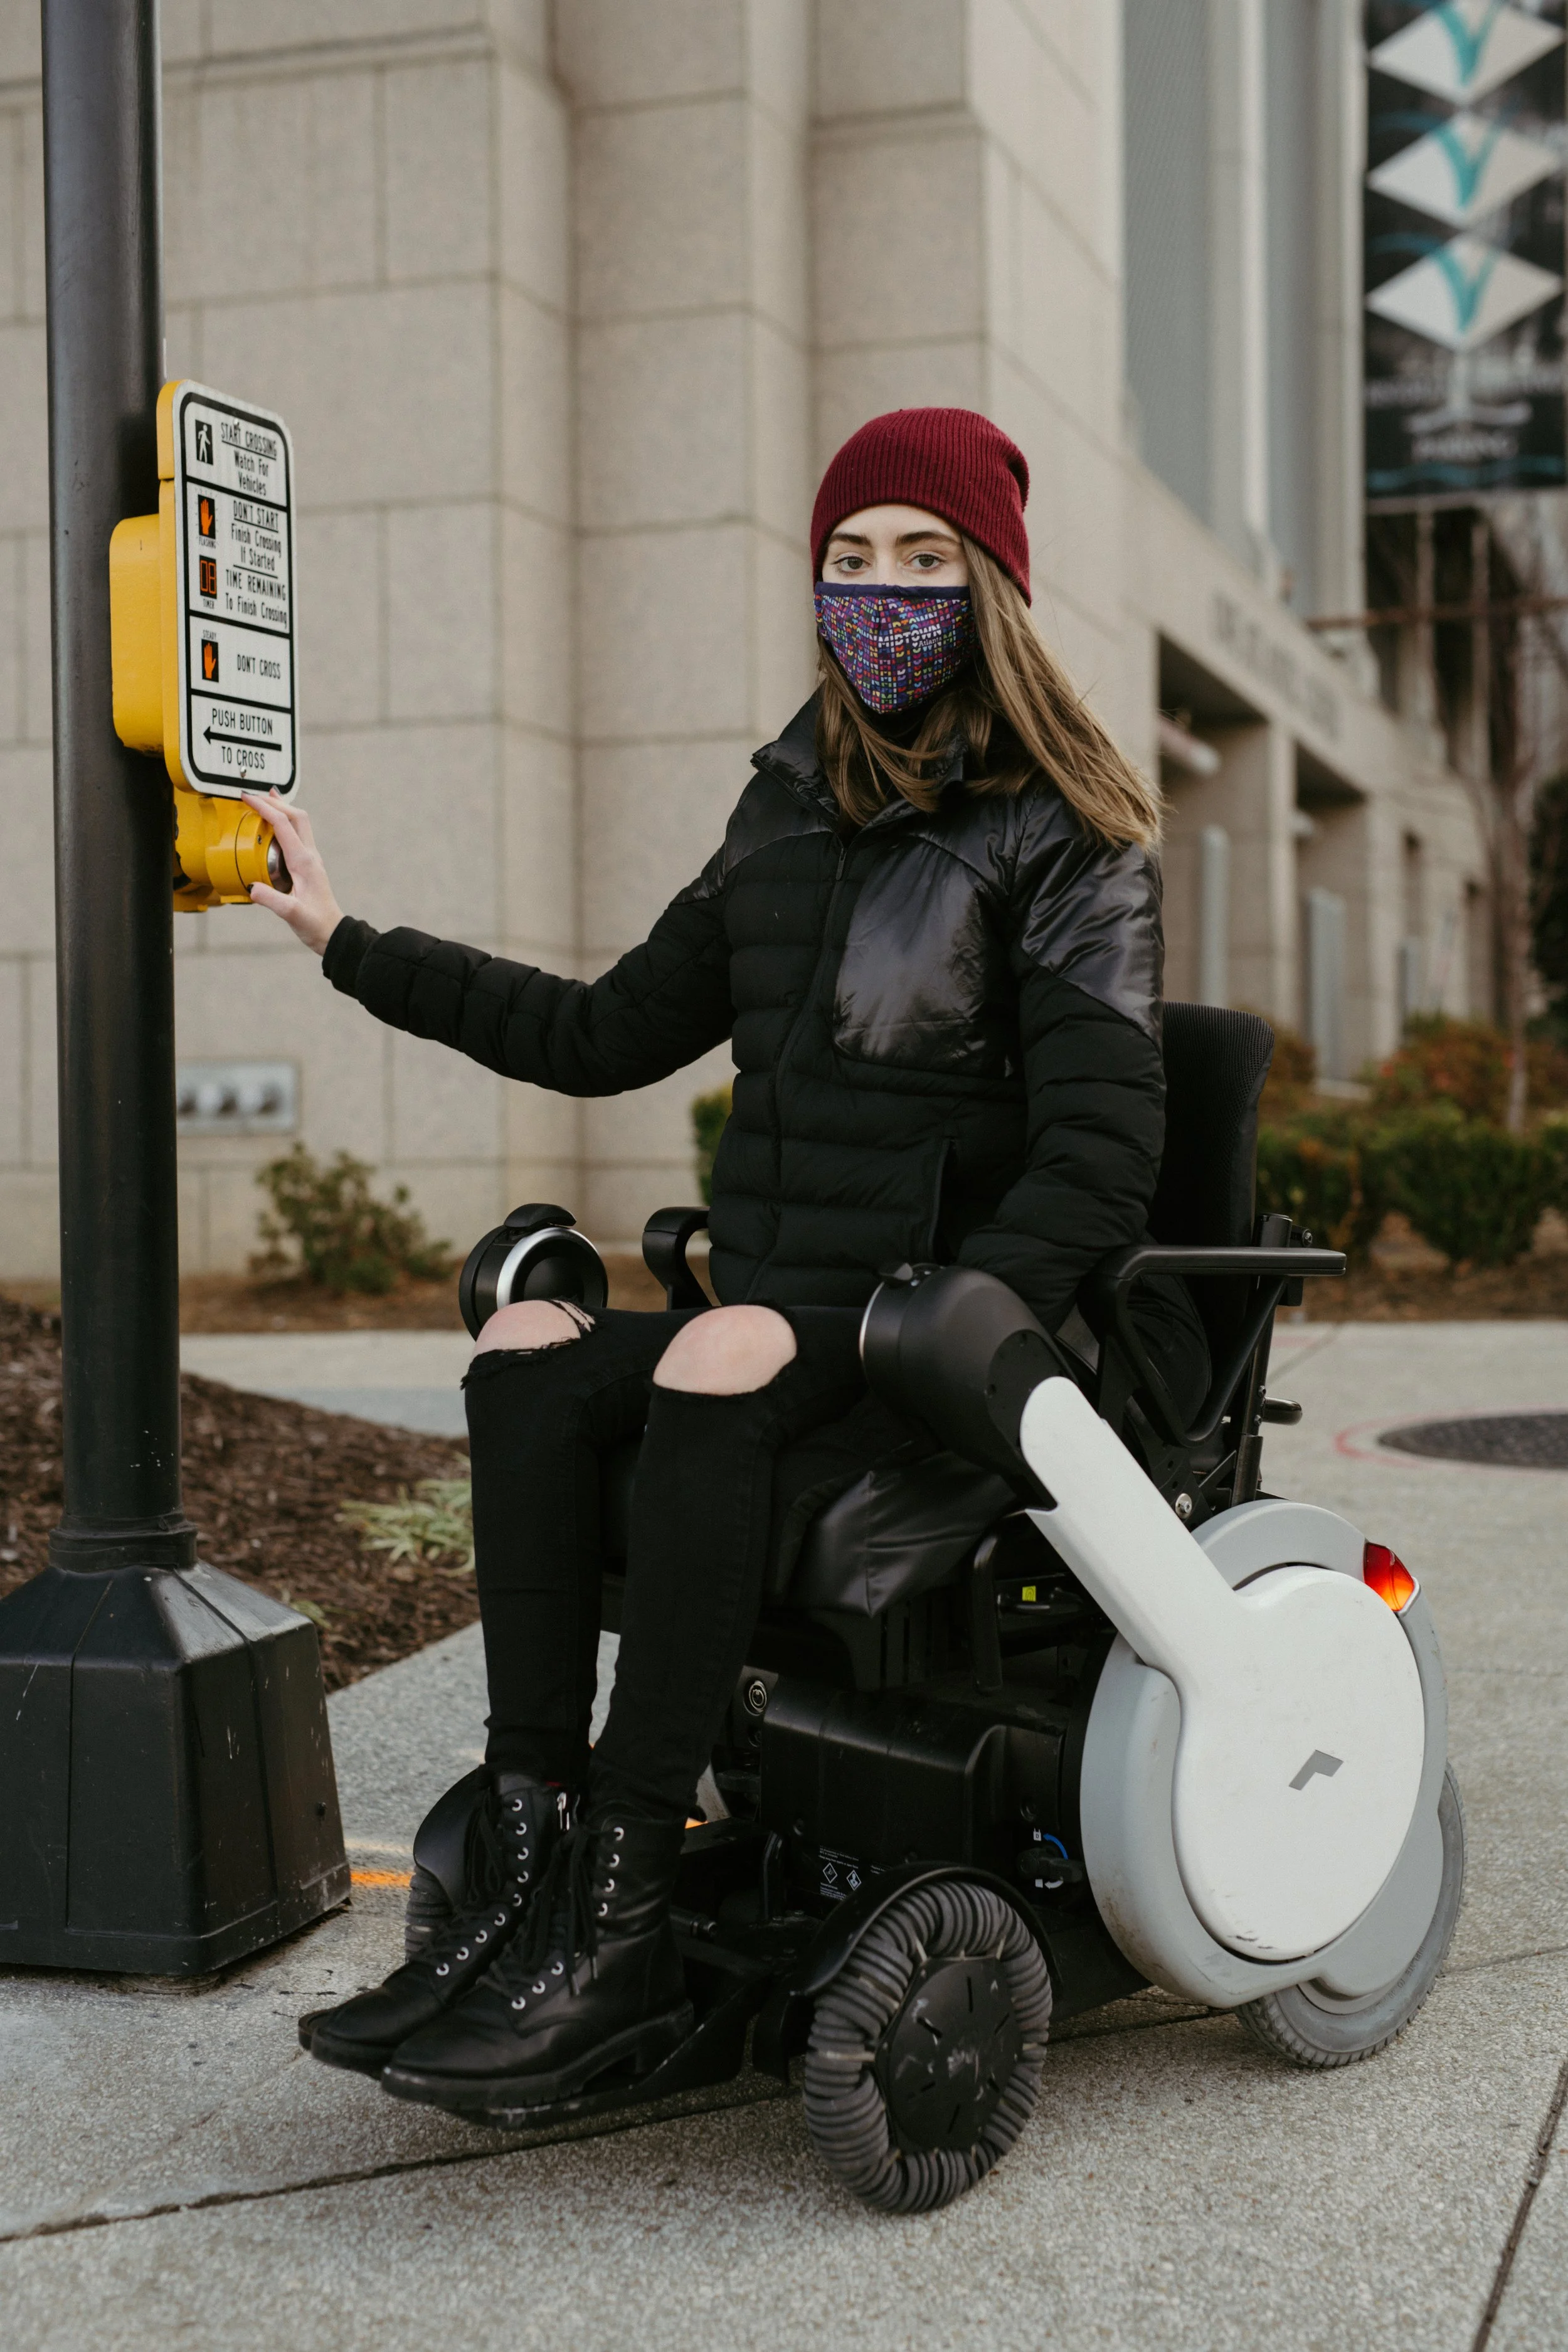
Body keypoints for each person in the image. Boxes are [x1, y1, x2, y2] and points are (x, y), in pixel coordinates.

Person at [252, 406, 1209, 2113]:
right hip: (772, 1331)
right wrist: (348, 939)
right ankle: (535, 1852)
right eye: (850, 560)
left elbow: (1096, 1166)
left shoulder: (1065, 838)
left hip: (943, 1341)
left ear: (990, 586)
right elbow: (605, 1026)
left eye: (922, 560)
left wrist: (905, 1328)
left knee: (707, 1350)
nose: (879, 593)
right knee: (534, 1346)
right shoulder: (784, 813)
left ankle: (621, 1914)